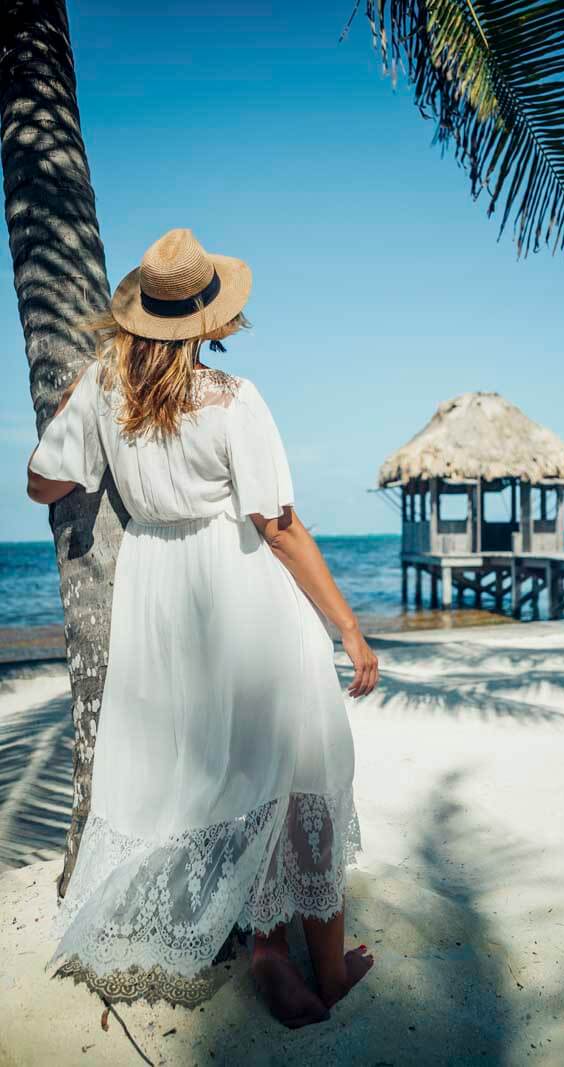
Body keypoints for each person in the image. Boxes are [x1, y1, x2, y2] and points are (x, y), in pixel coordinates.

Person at [26, 228, 378, 1029]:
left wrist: (93, 460)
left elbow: (42, 481)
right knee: (298, 768)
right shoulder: (235, 399)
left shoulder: (103, 392)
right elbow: (279, 525)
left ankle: (263, 949)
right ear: (207, 318)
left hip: (159, 599)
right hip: (242, 593)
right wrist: (350, 628)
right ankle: (327, 970)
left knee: (223, 776)